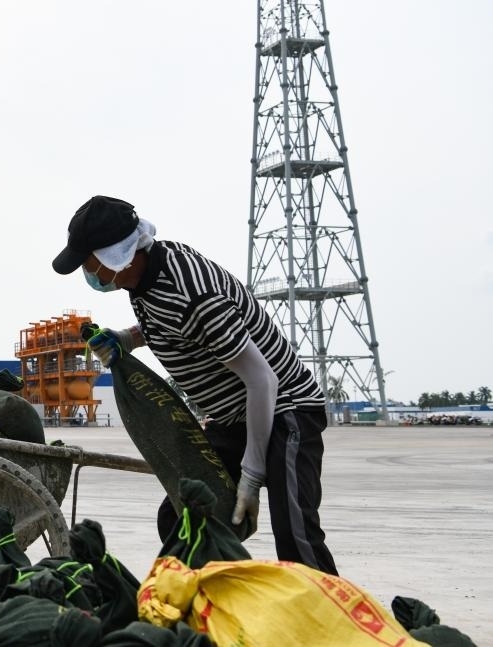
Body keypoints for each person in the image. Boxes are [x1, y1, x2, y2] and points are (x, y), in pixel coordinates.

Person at [52, 195, 337, 575]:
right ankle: (214, 605)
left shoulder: (196, 295)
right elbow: (171, 328)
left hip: (285, 409)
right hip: (230, 418)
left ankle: (332, 621)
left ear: (119, 255)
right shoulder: (144, 280)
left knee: (295, 533)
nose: (90, 275)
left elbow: (262, 380)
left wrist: (251, 476)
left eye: (91, 265)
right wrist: (126, 339)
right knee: (182, 516)